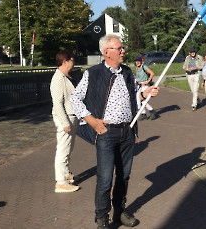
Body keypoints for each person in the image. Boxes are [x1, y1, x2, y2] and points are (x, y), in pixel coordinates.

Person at [70, 34, 159, 229]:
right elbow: (74, 98)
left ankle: (119, 212)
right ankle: (102, 217)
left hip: (126, 132)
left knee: (124, 176)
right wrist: (92, 121)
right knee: (104, 179)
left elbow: (134, 95)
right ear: (106, 52)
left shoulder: (127, 72)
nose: (123, 51)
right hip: (105, 133)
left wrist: (145, 93)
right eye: (119, 48)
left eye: (122, 48)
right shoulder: (93, 73)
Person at [50, 49, 79, 193]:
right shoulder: (58, 79)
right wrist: (65, 122)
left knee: (69, 148)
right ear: (65, 61)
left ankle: (66, 174)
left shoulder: (65, 77)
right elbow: (57, 103)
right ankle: (60, 182)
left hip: (71, 116)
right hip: (65, 117)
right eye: (72, 59)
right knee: (63, 149)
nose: (74, 62)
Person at [134, 56, 157, 120]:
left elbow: (152, 73)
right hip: (140, 85)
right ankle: (143, 113)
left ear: (141, 61)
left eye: (138, 61)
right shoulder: (137, 68)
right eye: (136, 61)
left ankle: (151, 110)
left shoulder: (144, 66)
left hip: (145, 85)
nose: (137, 63)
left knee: (142, 99)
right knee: (139, 99)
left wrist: (147, 81)